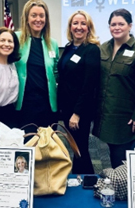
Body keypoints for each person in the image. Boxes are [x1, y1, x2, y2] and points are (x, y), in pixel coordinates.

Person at [93, 9, 135, 169]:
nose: (117, 27)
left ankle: (122, 189)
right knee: (111, 153)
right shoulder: (103, 48)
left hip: (125, 116)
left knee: (120, 158)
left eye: (121, 24)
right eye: (113, 24)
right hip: (105, 114)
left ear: (129, 26)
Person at [58, 10, 100, 174]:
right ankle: (80, 177)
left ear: (89, 28)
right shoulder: (69, 48)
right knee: (75, 146)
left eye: (83, 24)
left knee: (80, 146)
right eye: (75, 23)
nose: (79, 27)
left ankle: (88, 178)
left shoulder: (92, 50)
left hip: (80, 110)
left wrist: (77, 113)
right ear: (70, 27)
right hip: (67, 108)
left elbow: (89, 85)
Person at [15, 0, 59, 133]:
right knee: (27, 146)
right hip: (24, 104)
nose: (38, 19)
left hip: (47, 105)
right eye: (34, 15)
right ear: (27, 18)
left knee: (47, 147)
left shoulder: (53, 43)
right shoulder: (15, 38)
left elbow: (55, 71)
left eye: (42, 15)